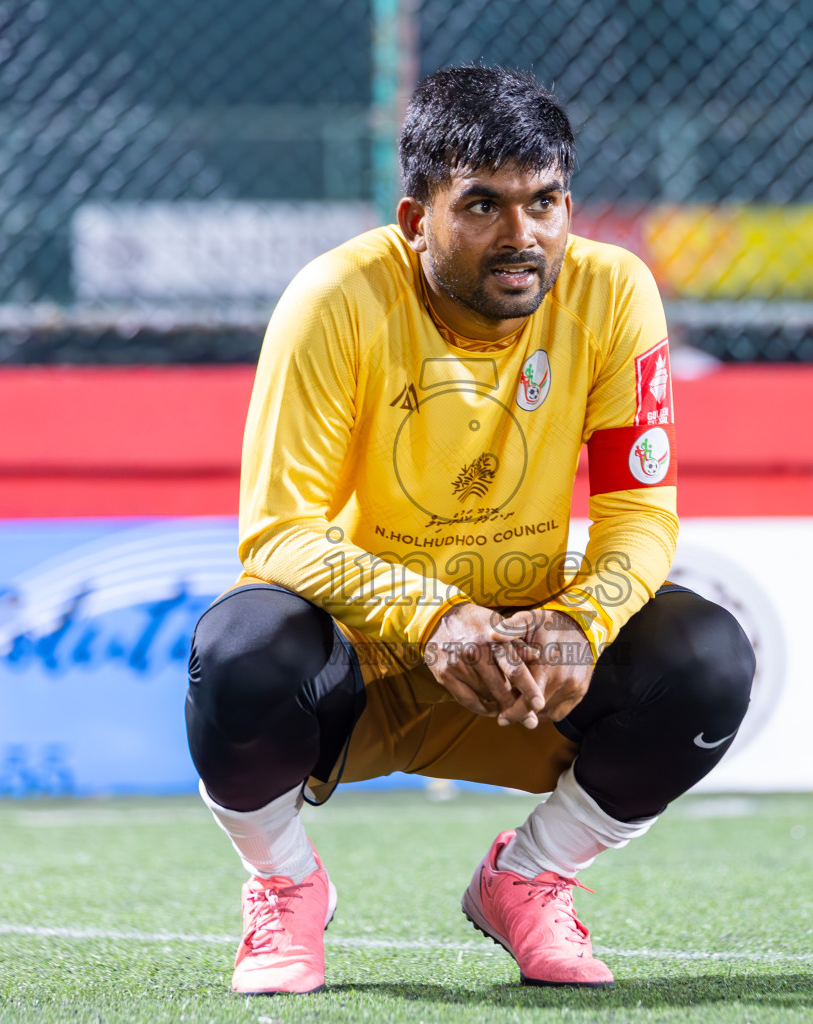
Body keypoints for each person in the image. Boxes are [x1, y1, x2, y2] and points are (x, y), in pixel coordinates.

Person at [185, 64, 755, 994]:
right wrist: (436, 615)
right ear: (416, 220)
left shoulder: (613, 294)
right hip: (362, 657)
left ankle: (530, 879)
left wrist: (580, 624)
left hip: (523, 659)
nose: (521, 237)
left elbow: (640, 513)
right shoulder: (335, 298)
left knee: (707, 658)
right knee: (240, 652)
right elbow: (279, 534)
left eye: (546, 203)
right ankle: (285, 887)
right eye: (483, 206)